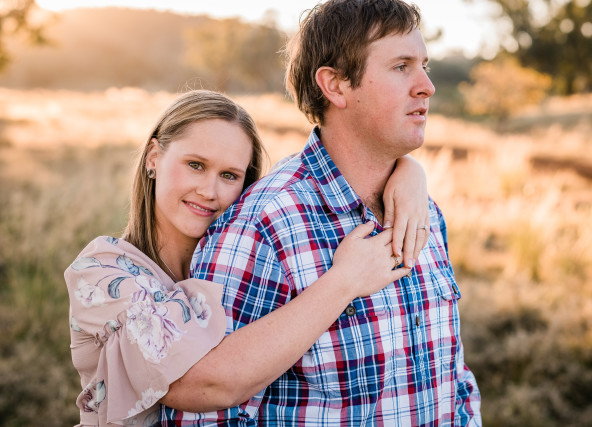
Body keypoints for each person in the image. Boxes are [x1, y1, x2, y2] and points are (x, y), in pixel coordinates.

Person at [161, 0, 481, 425]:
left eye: (424, 66)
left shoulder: (424, 212)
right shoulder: (264, 226)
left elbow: (450, 374)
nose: (427, 86)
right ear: (335, 85)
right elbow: (202, 409)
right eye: (402, 67)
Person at [65, 89, 431, 426]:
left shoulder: (241, 263)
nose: (209, 190)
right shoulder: (104, 273)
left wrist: (409, 170)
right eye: (195, 164)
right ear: (153, 158)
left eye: (229, 175)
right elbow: (204, 384)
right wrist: (345, 281)